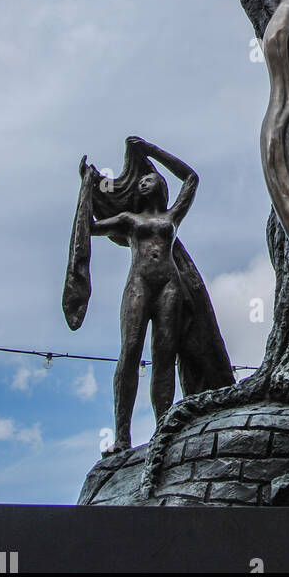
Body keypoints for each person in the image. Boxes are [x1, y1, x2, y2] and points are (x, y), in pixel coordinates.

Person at [91, 138, 198, 453]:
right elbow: (92, 227)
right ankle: (122, 436)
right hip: (139, 283)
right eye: (141, 182)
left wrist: (151, 150)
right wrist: (88, 190)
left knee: (165, 356)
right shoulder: (128, 221)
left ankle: (162, 431)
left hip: (169, 284)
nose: (143, 183)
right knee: (131, 351)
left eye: (150, 179)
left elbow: (191, 178)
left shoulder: (171, 217)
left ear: (161, 188)